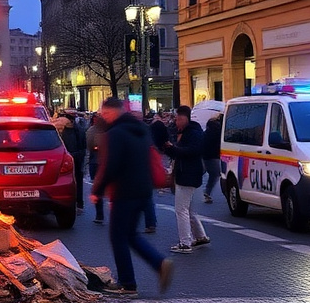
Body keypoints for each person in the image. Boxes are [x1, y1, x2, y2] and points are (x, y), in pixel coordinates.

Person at [90, 97, 173, 297]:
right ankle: (160, 263)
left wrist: (97, 191)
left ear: (114, 112)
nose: (104, 117)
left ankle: (127, 284)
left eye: (106, 114)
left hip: (124, 192)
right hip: (143, 191)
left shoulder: (114, 134)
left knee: (118, 236)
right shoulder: (141, 129)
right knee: (131, 235)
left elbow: (110, 166)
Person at [163, 105, 209, 254]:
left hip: (187, 174)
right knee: (189, 209)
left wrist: (173, 148)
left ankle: (185, 242)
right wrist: (171, 148)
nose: (176, 122)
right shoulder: (189, 132)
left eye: (178, 119)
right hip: (190, 173)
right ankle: (200, 236)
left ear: (185, 118)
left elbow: (190, 152)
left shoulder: (192, 133)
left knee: (181, 209)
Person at [54, 113, 86, 214]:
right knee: (76, 181)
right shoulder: (79, 130)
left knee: (68, 181)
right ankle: (78, 204)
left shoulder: (61, 131)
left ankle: (75, 203)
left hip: (67, 159)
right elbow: (83, 147)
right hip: (74, 159)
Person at [85, 114, 106, 224]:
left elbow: (89, 145)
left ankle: (99, 215)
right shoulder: (109, 130)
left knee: (98, 188)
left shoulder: (91, 130)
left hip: (95, 162)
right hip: (106, 162)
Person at [201, 113, 223, 204]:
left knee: (203, 173)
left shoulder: (207, 131)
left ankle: (203, 192)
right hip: (213, 155)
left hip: (205, 155)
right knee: (215, 174)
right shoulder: (218, 131)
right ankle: (206, 192)